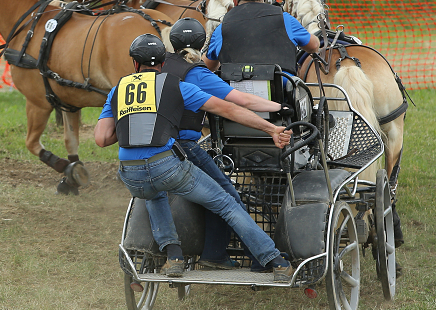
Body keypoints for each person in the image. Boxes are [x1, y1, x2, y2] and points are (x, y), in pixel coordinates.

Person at [95, 34, 295, 282]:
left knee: (153, 192)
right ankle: (274, 260)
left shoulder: (118, 89)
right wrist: (271, 129)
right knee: (225, 203)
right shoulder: (177, 86)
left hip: (131, 175)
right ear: (163, 63)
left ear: (135, 64)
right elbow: (229, 108)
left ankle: (174, 255)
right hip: (166, 167)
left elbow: (102, 139)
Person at [164, 18, 289, 270]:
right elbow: (242, 100)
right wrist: (280, 106)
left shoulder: (160, 66)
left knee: (213, 193)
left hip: (159, 147)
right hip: (185, 147)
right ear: (202, 44)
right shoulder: (196, 73)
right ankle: (260, 262)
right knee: (229, 198)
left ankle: (214, 253)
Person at [203, 0, 319, 75]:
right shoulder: (285, 19)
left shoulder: (222, 28)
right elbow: (314, 46)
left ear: (234, 1)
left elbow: (208, 66)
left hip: (237, 93)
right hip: (281, 90)